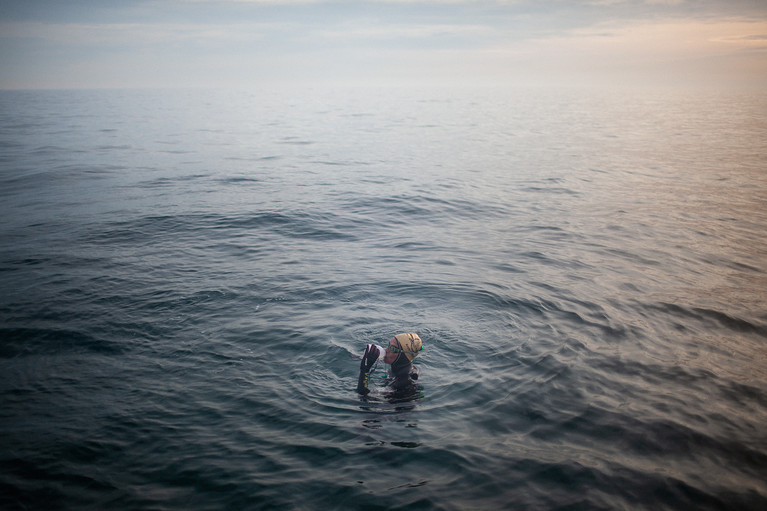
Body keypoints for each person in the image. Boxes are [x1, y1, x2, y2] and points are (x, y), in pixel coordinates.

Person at [356, 333, 423, 395]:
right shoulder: (406, 368)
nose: (386, 350)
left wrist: (364, 370)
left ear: (403, 356)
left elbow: (364, 397)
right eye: (388, 345)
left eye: (392, 348)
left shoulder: (402, 383)